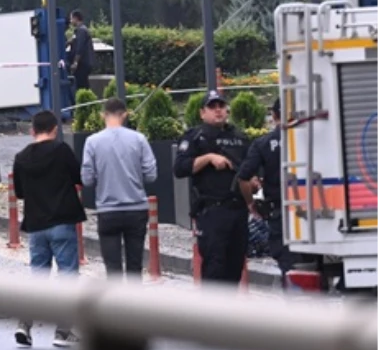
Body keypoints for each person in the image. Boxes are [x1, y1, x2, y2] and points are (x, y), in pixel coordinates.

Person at [12, 110, 85, 347]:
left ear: (32, 130)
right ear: (55, 129)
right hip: (62, 221)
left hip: (36, 224)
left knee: (38, 275)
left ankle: (24, 324)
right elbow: (78, 177)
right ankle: (63, 331)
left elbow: (20, 192)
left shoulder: (21, 157)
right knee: (67, 275)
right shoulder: (61, 151)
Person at [174, 90, 250, 284]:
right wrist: (208, 158)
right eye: (212, 107)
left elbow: (250, 168)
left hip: (238, 209)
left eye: (221, 107)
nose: (218, 111)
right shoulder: (195, 137)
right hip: (212, 211)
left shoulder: (239, 137)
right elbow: (180, 168)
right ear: (202, 113)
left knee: (235, 265)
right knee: (215, 266)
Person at [81, 98, 158, 280]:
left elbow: (87, 179)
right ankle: (132, 306)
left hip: (108, 210)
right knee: (135, 264)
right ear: (125, 114)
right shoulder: (139, 139)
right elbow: (151, 174)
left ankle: (115, 305)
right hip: (136, 208)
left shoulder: (92, 142)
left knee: (112, 267)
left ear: (102, 115)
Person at [238, 99, 307, 288]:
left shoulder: (262, 144)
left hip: (282, 215)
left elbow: (243, 178)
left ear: (274, 115)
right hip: (315, 211)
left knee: (290, 269)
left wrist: (250, 204)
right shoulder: (311, 140)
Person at [67, 10, 94, 93]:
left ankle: (84, 101)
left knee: (81, 85)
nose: (70, 21)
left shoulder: (81, 31)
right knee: (83, 84)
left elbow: (80, 47)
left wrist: (75, 62)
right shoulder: (80, 31)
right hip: (84, 63)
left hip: (82, 63)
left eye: (71, 19)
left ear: (76, 18)